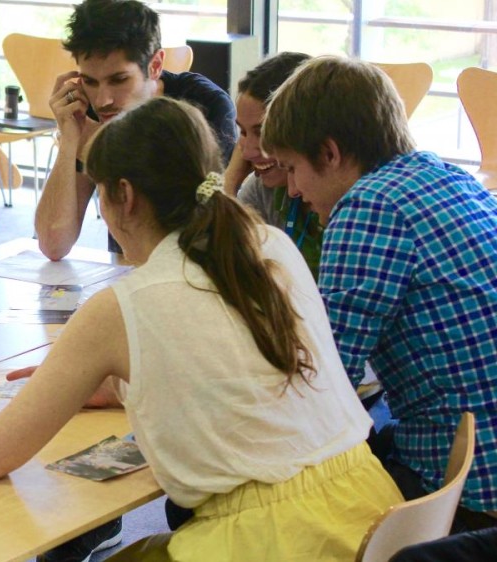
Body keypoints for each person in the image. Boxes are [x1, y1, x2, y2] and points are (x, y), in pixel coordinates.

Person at [0, 96, 403, 561]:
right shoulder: (269, 244)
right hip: (371, 515)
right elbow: (236, 366)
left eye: (99, 191)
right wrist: (125, 386)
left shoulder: (122, 305)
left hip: (271, 541)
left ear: (125, 194)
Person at [261, 56, 497, 531]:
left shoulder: (368, 206)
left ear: (329, 153)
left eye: (291, 168)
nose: (292, 190)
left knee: (231, 501)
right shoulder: (449, 177)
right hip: (479, 453)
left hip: (463, 488)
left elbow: (324, 384)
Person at [34, 0, 237, 261]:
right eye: (90, 81)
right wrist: (70, 139)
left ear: (155, 65)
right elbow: (53, 243)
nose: (103, 99)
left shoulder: (204, 106)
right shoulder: (90, 111)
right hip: (127, 273)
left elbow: (193, 230)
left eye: (118, 80)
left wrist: (96, 141)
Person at [225, 51, 323, 279]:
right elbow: (226, 267)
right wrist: (230, 180)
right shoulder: (261, 190)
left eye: (262, 132)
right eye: (243, 132)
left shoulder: (345, 201)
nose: (247, 151)